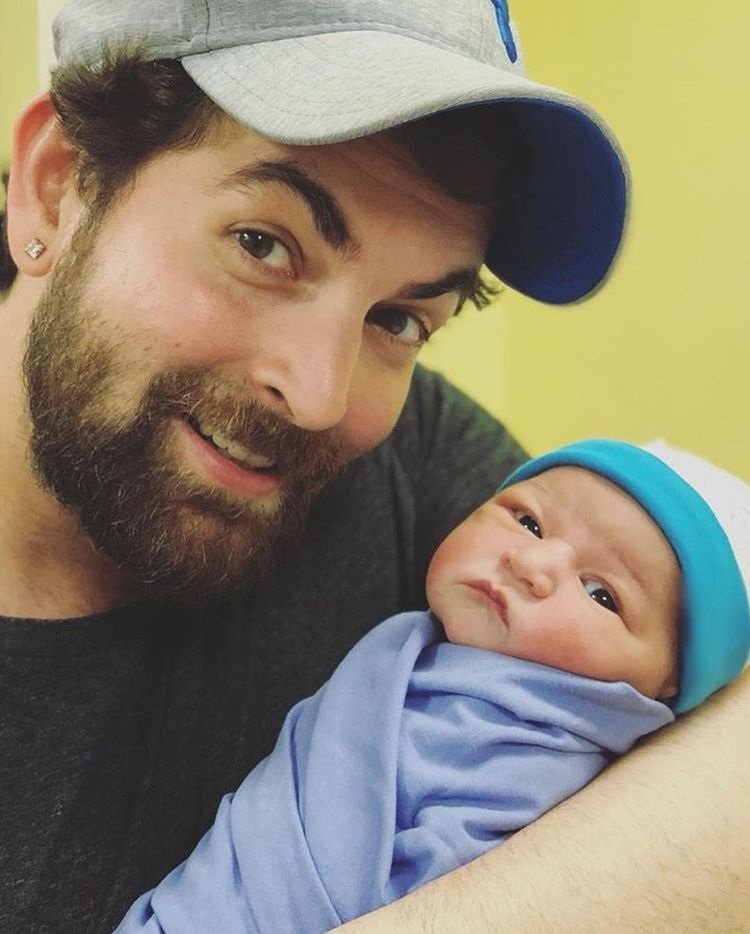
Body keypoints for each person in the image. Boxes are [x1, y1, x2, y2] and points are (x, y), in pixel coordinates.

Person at [0, 1, 747, 931]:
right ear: (57, 185)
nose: (319, 397)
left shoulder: (415, 455)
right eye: (263, 245)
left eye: (398, 320)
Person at [113, 438, 750, 933]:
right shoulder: (415, 650)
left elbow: (453, 890)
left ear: (662, 688)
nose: (531, 564)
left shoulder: (539, 748)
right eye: (528, 521)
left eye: (600, 593)